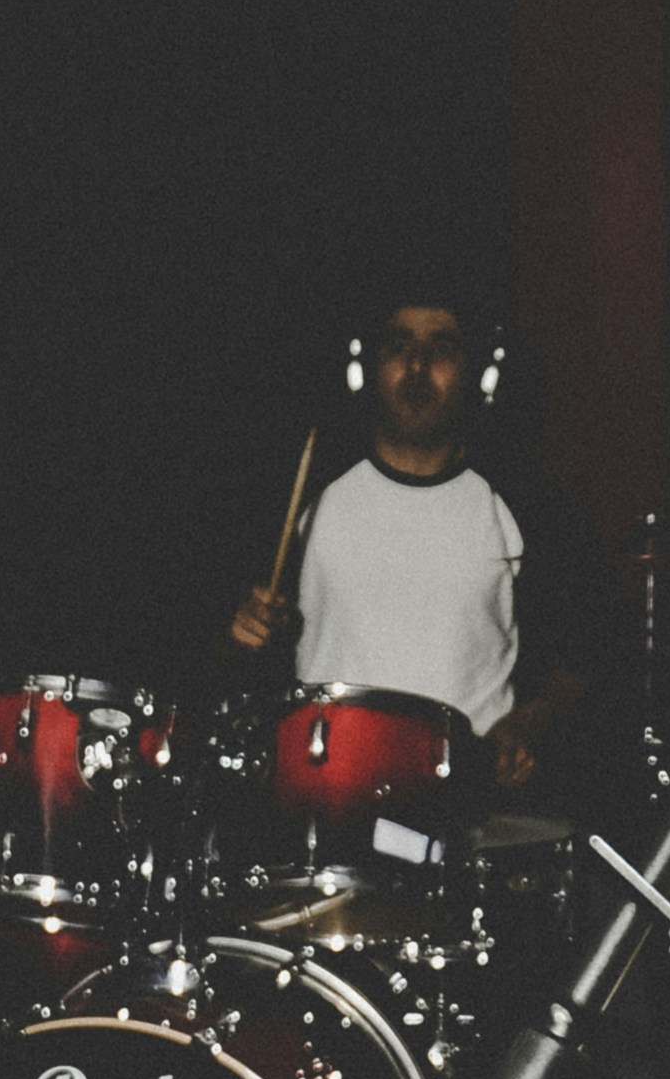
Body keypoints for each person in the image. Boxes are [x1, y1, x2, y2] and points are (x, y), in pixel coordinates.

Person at [223, 285, 616, 795]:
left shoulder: (525, 503)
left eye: (443, 348)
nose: (417, 364)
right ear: (368, 367)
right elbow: (223, 666)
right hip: (324, 786)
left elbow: (584, 657)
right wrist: (240, 635)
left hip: (466, 796)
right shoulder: (306, 495)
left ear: (476, 372)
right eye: (399, 345)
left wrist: (524, 725)